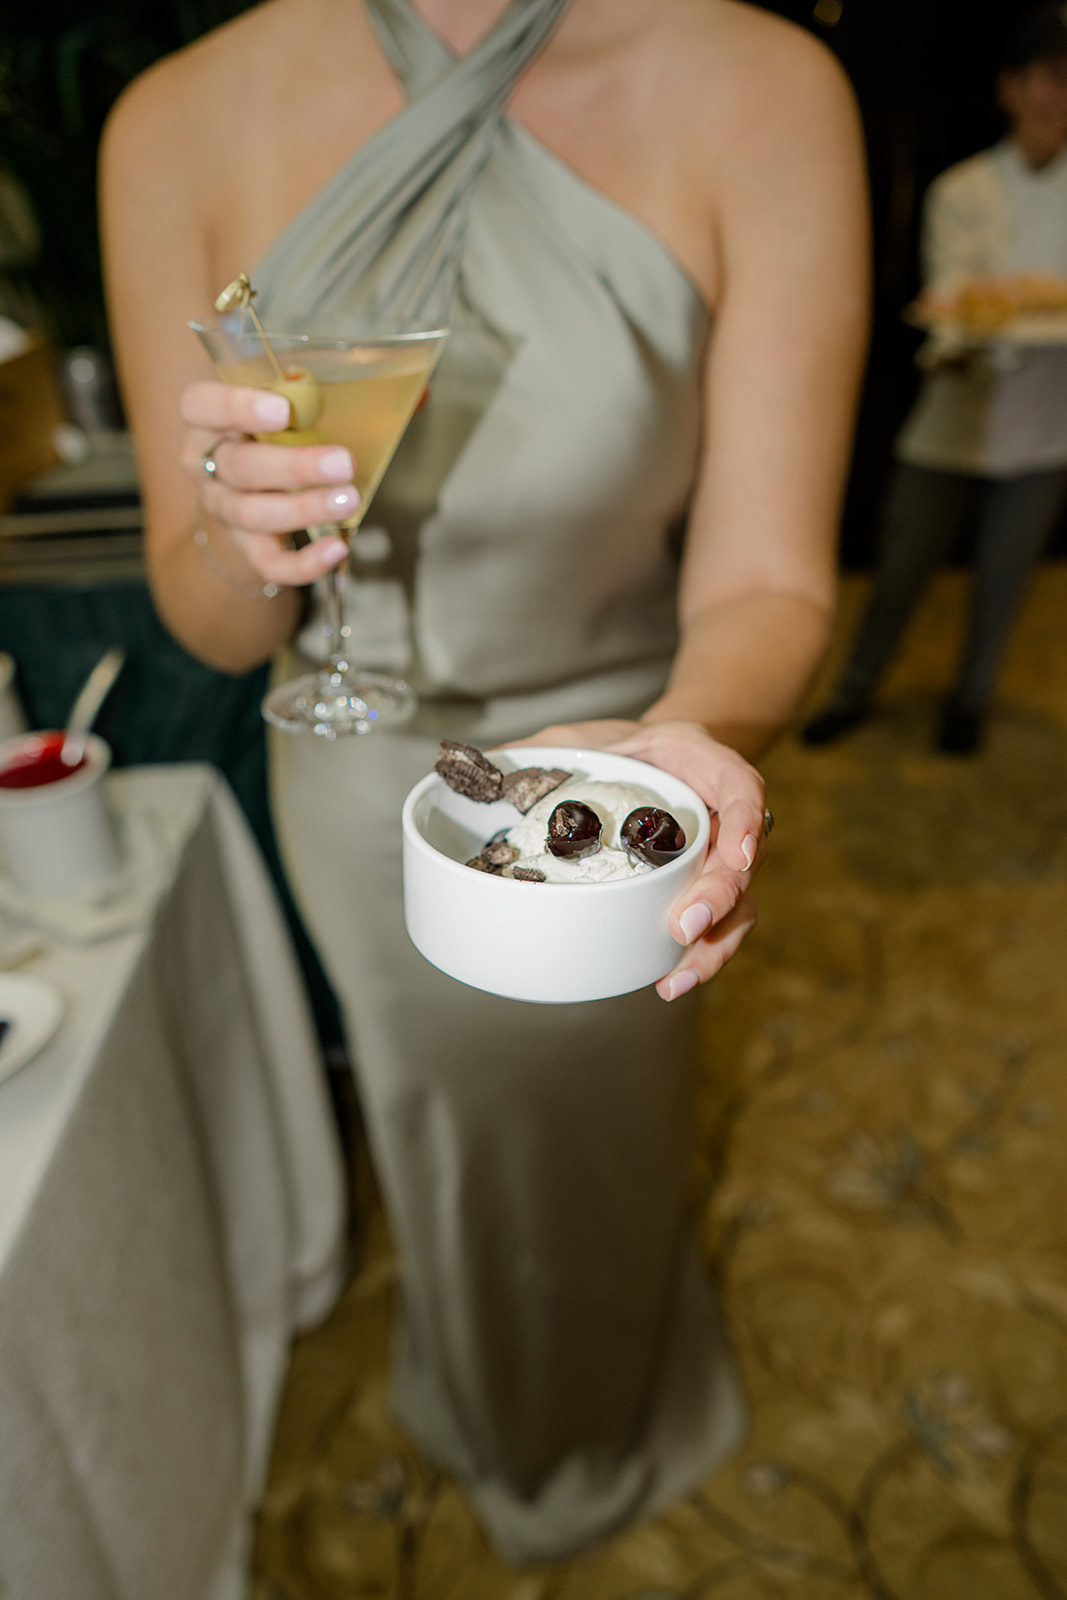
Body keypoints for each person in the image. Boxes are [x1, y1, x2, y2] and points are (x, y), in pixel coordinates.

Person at [100, 0, 867, 1564]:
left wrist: (685, 741)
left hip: (626, 772)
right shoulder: (173, 118)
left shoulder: (763, 87)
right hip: (356, 768)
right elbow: (215, 625)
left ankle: (595, 1410)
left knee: (601, 1137)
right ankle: (491, 1385)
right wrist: (240, 540)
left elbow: (768, 580)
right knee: (443, 1141)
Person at [803, 3, 1067, 758]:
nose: (1062, 96)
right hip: (954, 413)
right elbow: (952, 300)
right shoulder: (962, 189)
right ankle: (853, 691)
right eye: (1052, 76)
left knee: (1005, 580)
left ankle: (970, 702)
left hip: (1045, 425)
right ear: (1011, 86)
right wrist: (971, 328)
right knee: (899, 572)